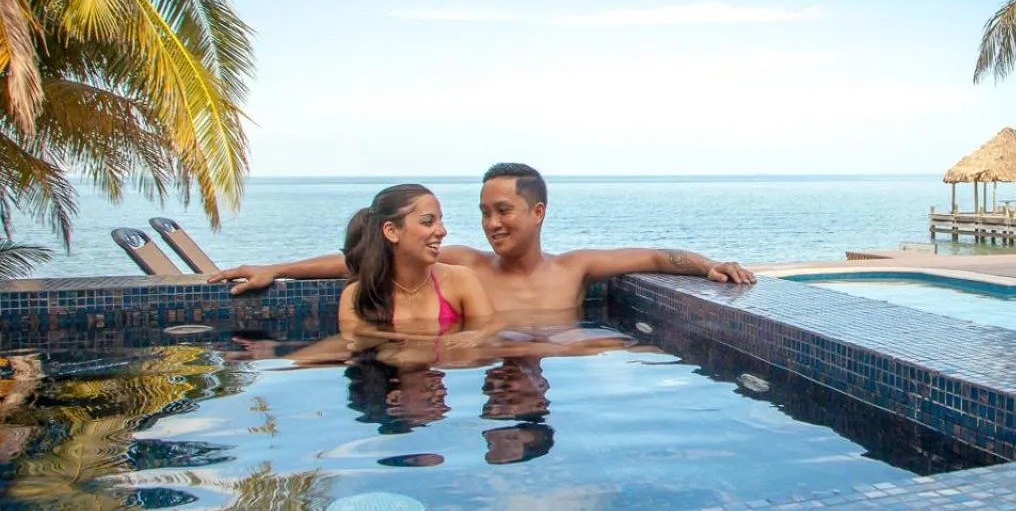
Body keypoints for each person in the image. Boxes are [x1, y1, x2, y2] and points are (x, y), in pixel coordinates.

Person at [211, 163, 757, 319]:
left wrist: (711, 265)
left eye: (503, 211)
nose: (492, 224)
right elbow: (362, 261)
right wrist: (274, 268)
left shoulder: (574, 269)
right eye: (484, 213)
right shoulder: (467, 266)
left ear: (537, 212)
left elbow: (659, 256)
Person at [337, 184, 495, 336]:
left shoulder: (461, 280)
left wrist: (476, 337)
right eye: (428, 222)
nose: (442, 231)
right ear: (391, 231)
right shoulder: (356, 295)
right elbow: (357, 348)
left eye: (441, 221)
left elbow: (491, 332)